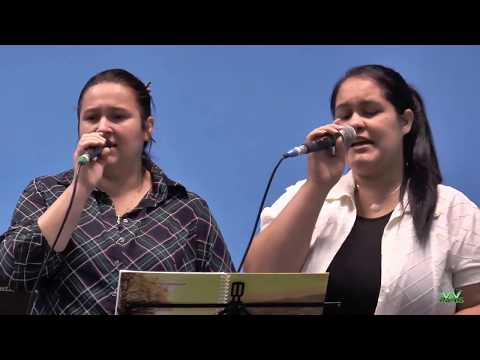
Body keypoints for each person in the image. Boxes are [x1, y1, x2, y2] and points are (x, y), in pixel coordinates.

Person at [244, 64, 480, 315]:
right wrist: (318, 185)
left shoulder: (451, 209)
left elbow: (467, 299)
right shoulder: (308, 195)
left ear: (405, 122)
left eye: (370, 111)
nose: (355, 123)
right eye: (344, 115)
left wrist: (442, 296)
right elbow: (258, 286)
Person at [0, 68, 234, 315]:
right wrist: (80, 188)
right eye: (91, 118)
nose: (103, 127)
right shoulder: (46, 192)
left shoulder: (189, 211)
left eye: (118, 116)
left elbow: (229, 302)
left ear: (147, 128)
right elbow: (12, 273)